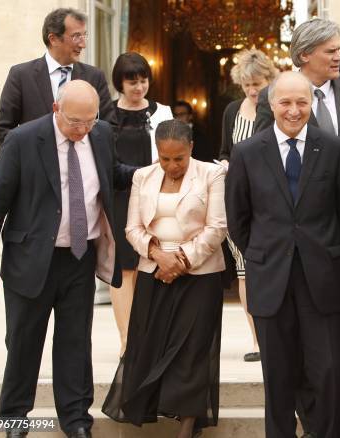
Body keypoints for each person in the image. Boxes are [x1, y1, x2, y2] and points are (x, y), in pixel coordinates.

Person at [0, 80, 135, 438]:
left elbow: (112, 174)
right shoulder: (23, 140)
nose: (82, 130)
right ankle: (14, 419)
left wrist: (148, 172)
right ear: (56, 110)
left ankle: (76, 420)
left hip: (79, 257)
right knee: (24, 341)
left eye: (88, 122)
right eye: (74, 123)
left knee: (75, 341)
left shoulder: (99, 135)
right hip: (31, 257)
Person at [255, 19, 340, 437]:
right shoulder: (275, 99)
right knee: (296, 353)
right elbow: (261, 175)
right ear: (305, 54)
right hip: (288, 253)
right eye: (331, 50)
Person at [225, 71, 340, 438]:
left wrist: (321, 248)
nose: (294, 110)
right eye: (286, 102)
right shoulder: (247, 152)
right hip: (271, 279)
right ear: (271, 104)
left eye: (302, 102)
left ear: (311, 103)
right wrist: (268, 251)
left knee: (330, 372)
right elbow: (238, 219)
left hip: (324, 278)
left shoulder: (335, 148)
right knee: (279, 376)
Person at [102, 119, 226, 438]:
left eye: (179, 158)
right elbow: (132, 228)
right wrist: (159, 256)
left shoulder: (212, 174)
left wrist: (181, 260)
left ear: (191, 149)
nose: (172, 165)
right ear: (156, 152)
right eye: (165, 158)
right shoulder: (143, 176)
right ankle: (158, 408)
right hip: (153, 271)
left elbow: (217, 228)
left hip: (201, 274)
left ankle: (188, 426)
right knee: (152, 345)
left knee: (192, 349)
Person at [109, 52, 173, 357]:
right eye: (132, 81)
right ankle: (125, 339)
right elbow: (106, 163)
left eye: (143, 80)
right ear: (120, 83)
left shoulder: (162, 113)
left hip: (156, 197)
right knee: (124, 268)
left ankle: (151, 335)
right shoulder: (106, 116)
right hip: (120, 197)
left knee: (154, 261)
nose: (139, 87)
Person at [218, 49, 277, 362]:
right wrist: (225, 164)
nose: (253, 91)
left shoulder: (277, 107)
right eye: (247, 85)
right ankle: (257, 340)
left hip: (267, 199)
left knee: (264, 269)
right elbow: (225, 149)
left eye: (258, 83)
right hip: (237, 197)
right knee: (243, 272)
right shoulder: (231, 111)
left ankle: (272, 339)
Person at [0, 7, 115, 146]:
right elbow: (3, 130)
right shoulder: (21, 75)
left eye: (84, 35)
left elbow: (110, 128)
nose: (83, 44)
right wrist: (27, 163)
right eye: (76, 36)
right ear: (53, 39)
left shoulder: (95, 77)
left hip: (80, 166)